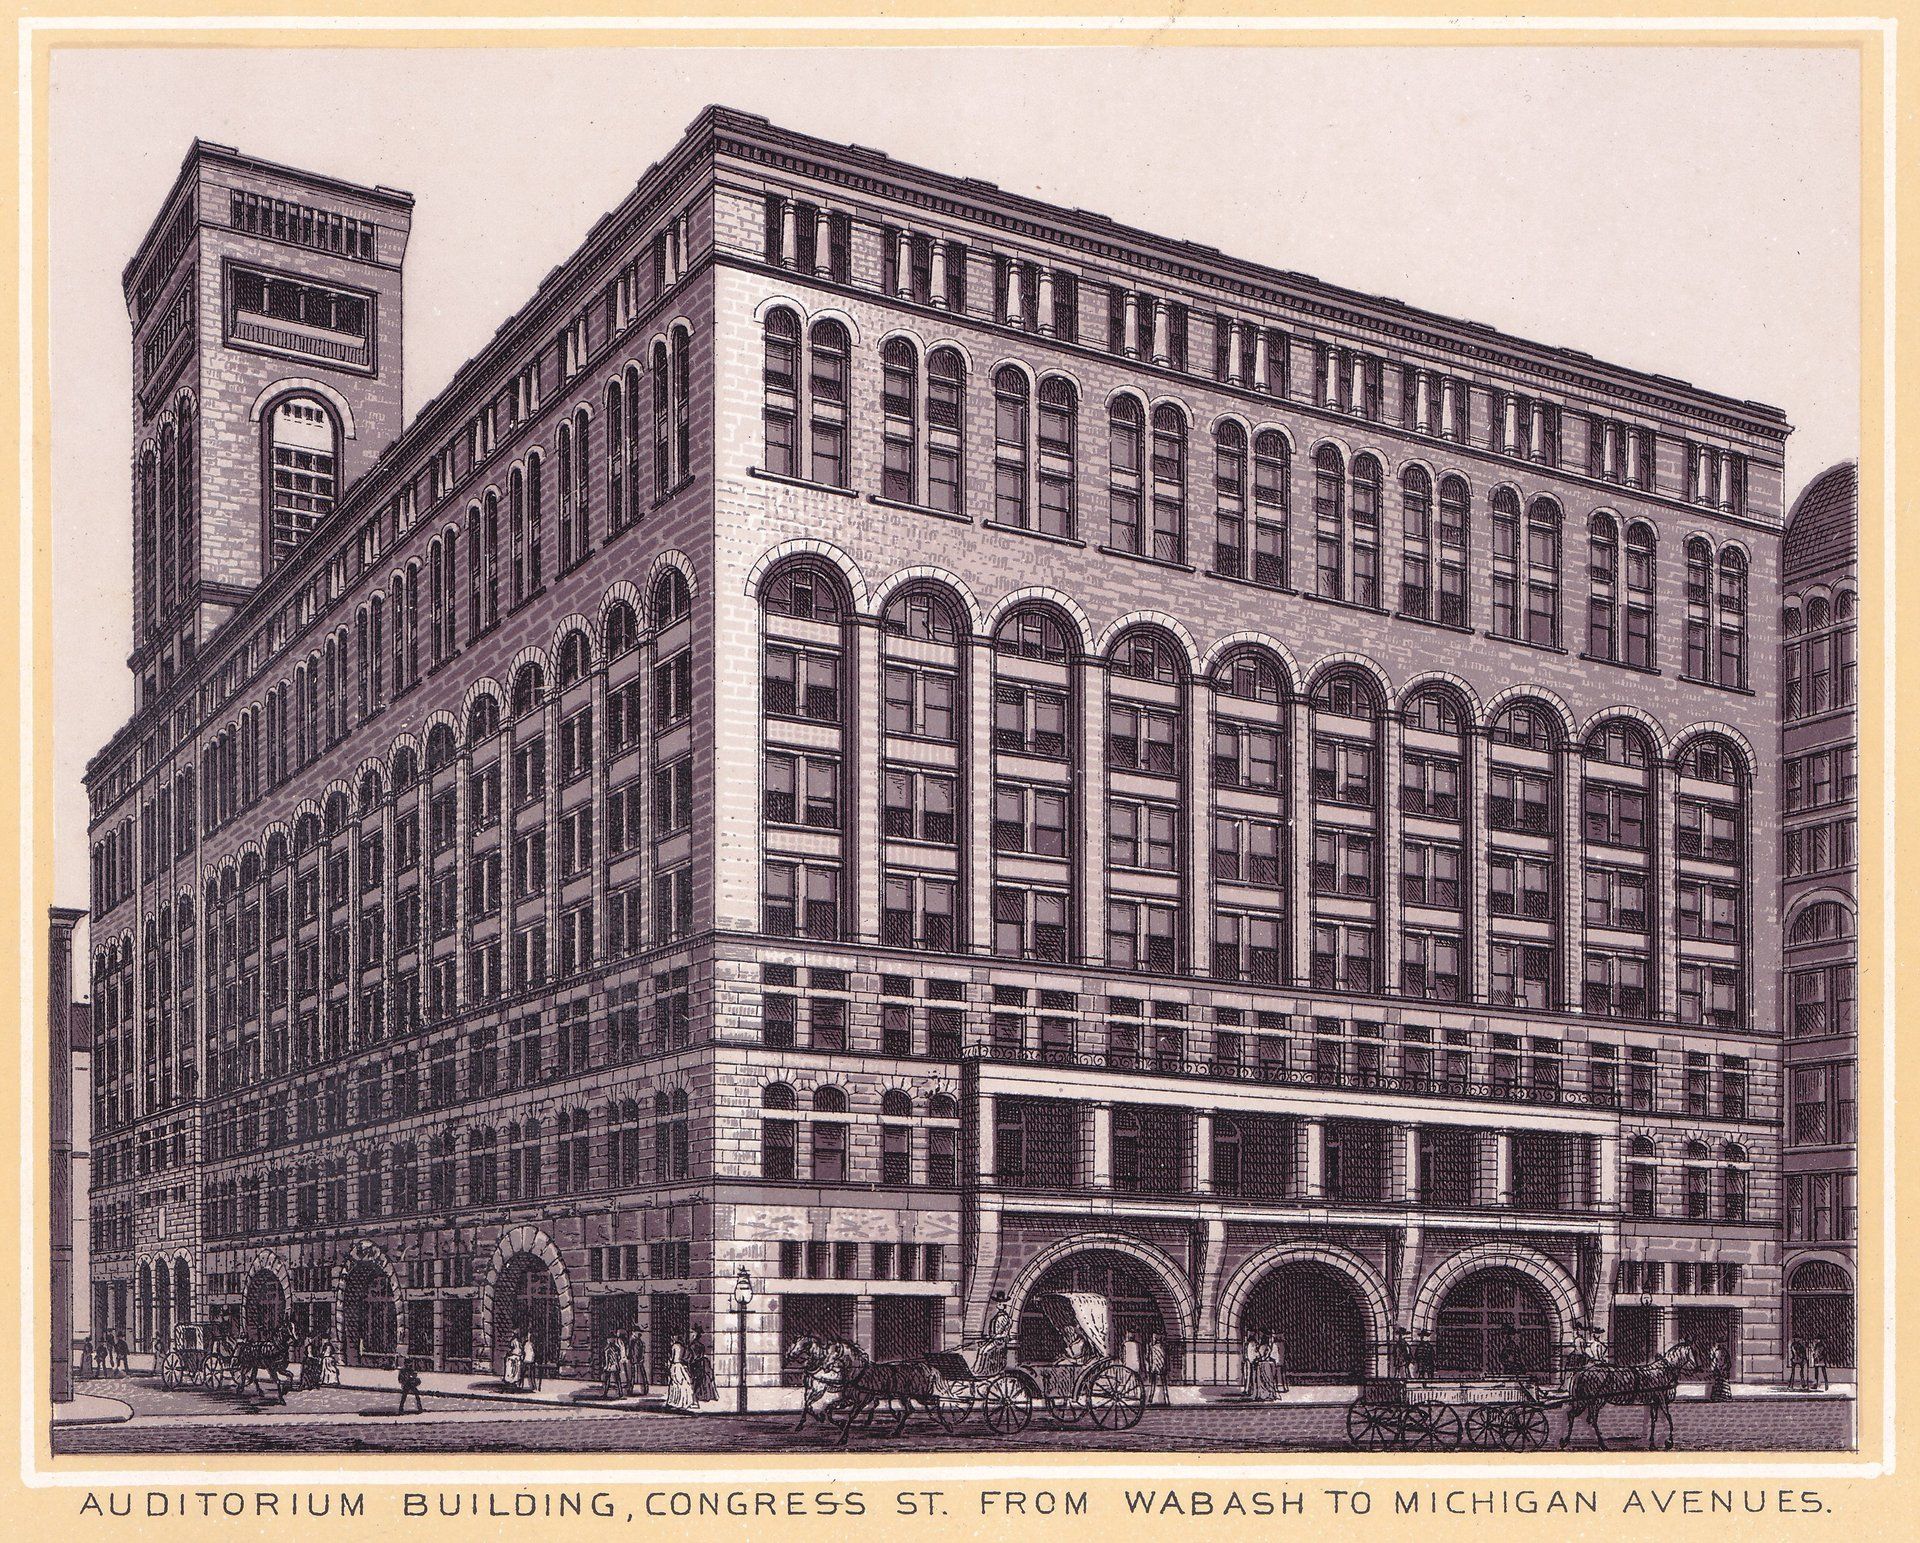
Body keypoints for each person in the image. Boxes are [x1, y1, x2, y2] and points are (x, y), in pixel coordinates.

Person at [666, 1337, 696, 1412]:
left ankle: (675, 1402)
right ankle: (684, 1402)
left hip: (675, 1366)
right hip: (681, 1366)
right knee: (683, 1383)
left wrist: (669, 1361)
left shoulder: (674, 1346)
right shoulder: (683, 1347)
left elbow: (672, 1358)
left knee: (675, 1383)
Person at [689, 1326, 716, 1404]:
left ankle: (695, 1398)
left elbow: (693, 1356)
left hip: (695, 1365)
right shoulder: (700, 1345)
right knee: (699, 1380)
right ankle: (700, 1396)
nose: (690, 1335)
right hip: (700, 1364)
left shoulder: (693, 1345)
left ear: (695, 1334)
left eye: (692, 1333)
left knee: (695, 1381)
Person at [1144, 1331, 1169, 1407]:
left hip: (1155, 1367)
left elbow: (1148, 1357)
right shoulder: (1163, 1346)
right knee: (1163, 1384)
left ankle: (1150, 1400)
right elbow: (1166, 1358)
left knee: (1153, 1384)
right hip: (1161, 1366)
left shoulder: (1152, 1347)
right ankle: (1166, 1400)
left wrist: (1149, 1365)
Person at [1267, 1330, 1290, 1398]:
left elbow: (1272, 1354)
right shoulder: (1283, 1343)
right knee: (1281, 1375)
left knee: (1276, 1375)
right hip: (1281, 1361)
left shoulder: (1274, 1344)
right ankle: (1283, 1387)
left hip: (1276, 1362)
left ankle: (1278, 1387)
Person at [504, 1325, 524, 1390]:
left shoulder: (517, 1341)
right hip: (514, 1356)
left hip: (516, 1356)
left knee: (514, 1369)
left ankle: (512, 1382)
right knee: (512, 1368)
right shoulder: (515, 1340)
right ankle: (510, 1382)